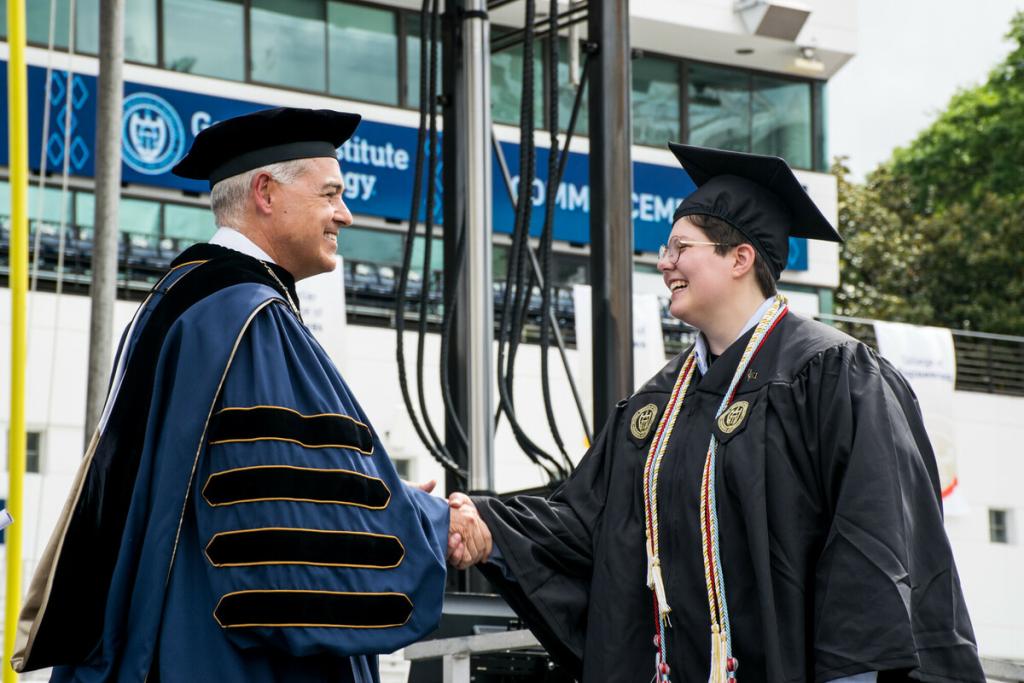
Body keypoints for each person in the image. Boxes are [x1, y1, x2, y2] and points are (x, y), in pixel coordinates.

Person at [446, 144, 986, 683]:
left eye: (680, 247)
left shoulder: (833, 375)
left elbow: (872, 542)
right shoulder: (658, 403)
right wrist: (485, 526)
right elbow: (590, 527)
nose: (663, 263)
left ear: (739, 258)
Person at [13, 108, 451, 683]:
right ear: (267, 193)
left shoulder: (175, 301)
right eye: (330, 194)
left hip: (151, 632)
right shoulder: (250, 320)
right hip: (216, 655)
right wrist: (427, 520)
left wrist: (373, 497)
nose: (343, 214)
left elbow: (290, 485)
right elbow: (284, 519)